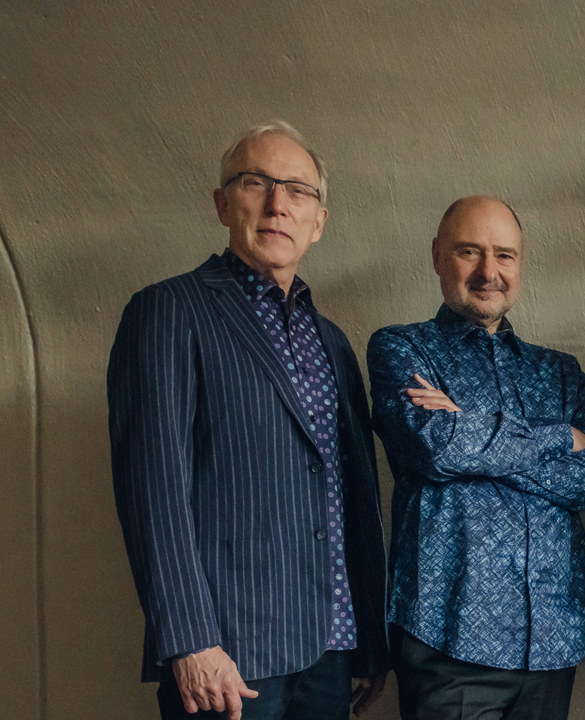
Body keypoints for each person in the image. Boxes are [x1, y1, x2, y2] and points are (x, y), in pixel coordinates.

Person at [108, 120, 388, 720]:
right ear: (221, 203)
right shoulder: (168, 311)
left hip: (332, 647)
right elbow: (152, 491)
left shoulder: (332, 340)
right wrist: (189, 641)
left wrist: (368, 641)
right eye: (255, 182)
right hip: (227, 655)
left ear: (319, 221)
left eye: (298, 190)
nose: (277, 204)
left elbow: (352, 495)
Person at [367, 195, 585, 720]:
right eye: (469, 252)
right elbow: (436, 448)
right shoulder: (402, 348)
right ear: (437, 255)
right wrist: (559, 436)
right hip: (448, 636)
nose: (489, 272)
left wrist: (470, 429)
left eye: (504, 255)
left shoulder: (560, 372)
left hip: (555, 635)